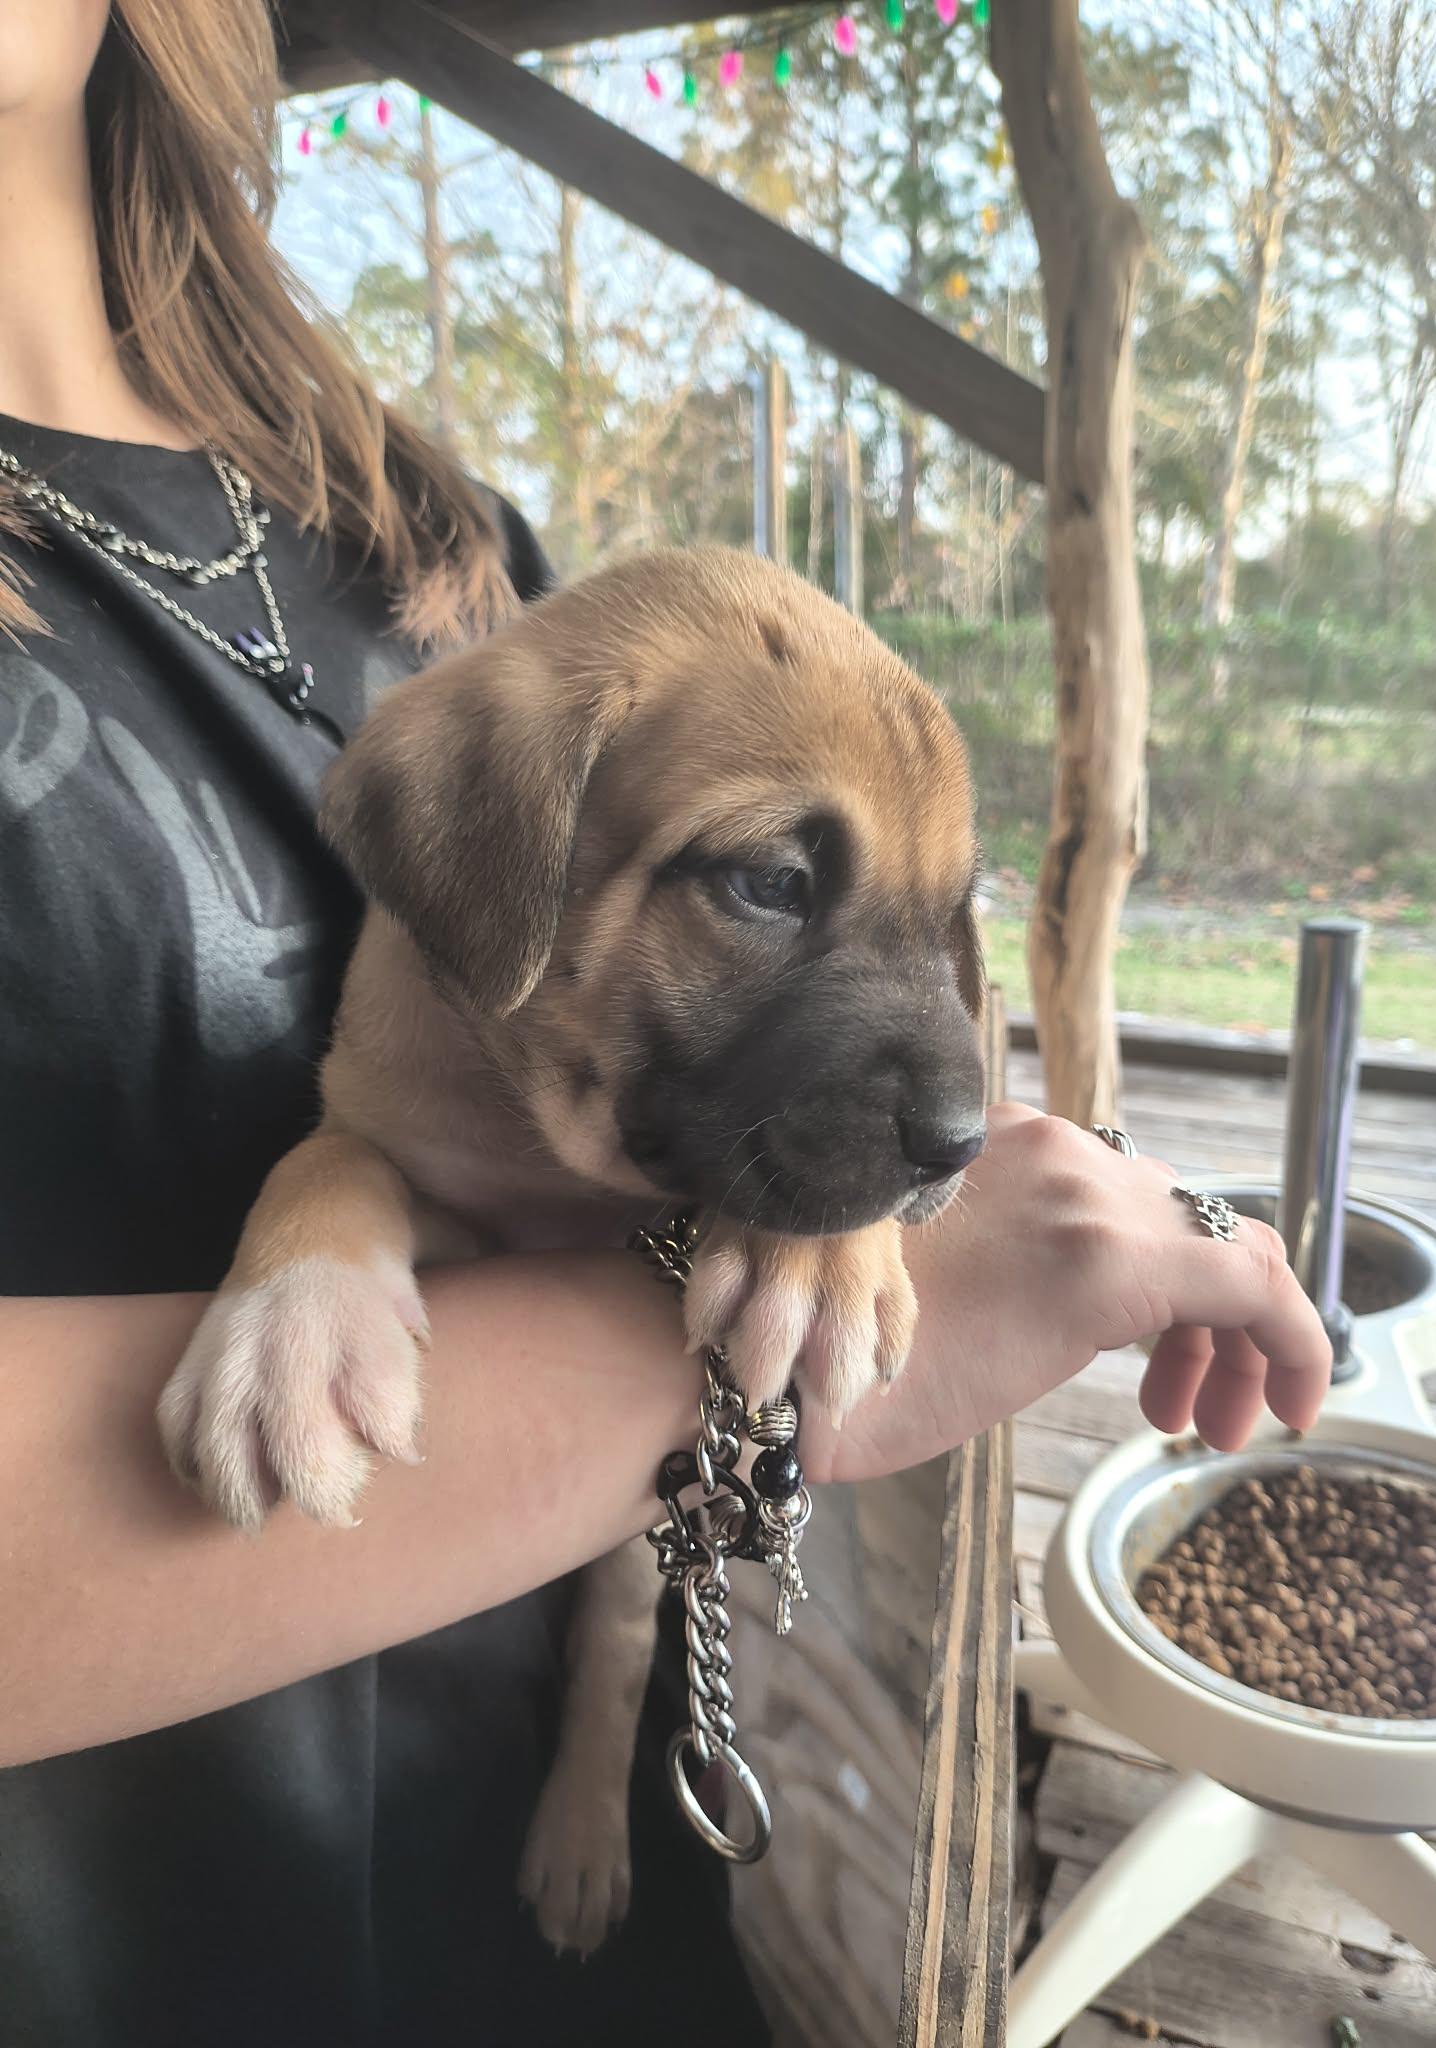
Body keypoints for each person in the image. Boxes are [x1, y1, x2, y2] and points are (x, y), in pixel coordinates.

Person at [0, 3, 1333, 2044]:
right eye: (771, 881)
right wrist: (723, 1384)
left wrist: (853, 1208)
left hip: (550, 1851)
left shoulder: (411, 523)